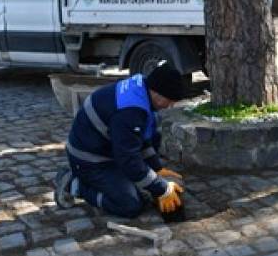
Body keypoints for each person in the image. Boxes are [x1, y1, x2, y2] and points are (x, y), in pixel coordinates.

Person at [53, 61, 186, 218]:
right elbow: (128, 159)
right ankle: (74, 184)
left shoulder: (142, 89)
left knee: (142, 185)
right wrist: (161, 189)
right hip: (90, 161)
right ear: (157, 92)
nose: (170, 106)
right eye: (169, 101)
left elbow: (140, 140)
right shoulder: (131, 112)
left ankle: (120, 181)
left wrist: (156, 168)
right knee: (129, 205)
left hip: (108, 150)